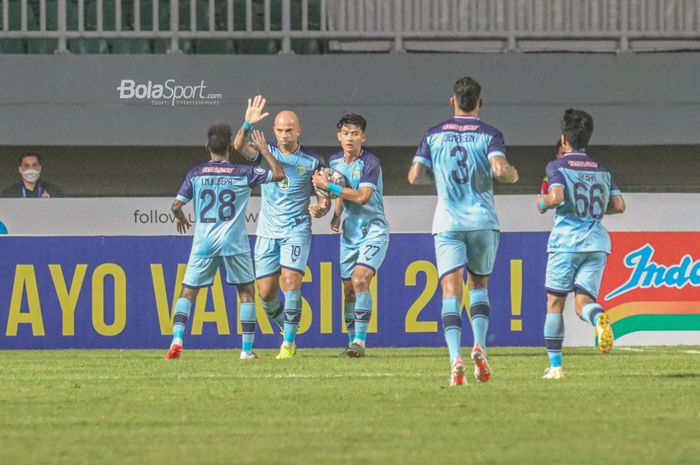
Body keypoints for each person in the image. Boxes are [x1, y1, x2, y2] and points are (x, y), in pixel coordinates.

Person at [407, 76, 519, 386]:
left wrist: (440, 177)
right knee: (479, 285)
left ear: (453, 101)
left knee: (450, 291)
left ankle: (455, 357)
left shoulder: (434, 134)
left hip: (448, 222)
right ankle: (480, 346)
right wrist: (511, 174)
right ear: (480, 103)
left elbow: (414, 176)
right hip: (482, 221)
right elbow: (499, 169)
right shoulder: (489, 135)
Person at [165, 122, 284, 360]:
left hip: (204, 242)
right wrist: (264, 151)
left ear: (206, 146)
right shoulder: (243, 173)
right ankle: (246, 351)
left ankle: (177, 338)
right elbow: (279, 175)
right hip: (233, 242)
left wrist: (180, 218)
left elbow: (176, 205)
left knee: (188, 291)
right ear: (230, 147)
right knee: (246, 293)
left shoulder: (196, 173)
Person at [233, 95, 330, 359]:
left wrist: (322, 207)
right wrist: (247, 124)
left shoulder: (313, 160)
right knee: (265, 293)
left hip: (296, 229)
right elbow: (240, 145)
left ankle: (287, 343)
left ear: (298, 131)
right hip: (267, 230)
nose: (285, 134)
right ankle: (287, 330)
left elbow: (324, 194)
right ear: (274, 131)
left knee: (291, 281)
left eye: (290, 130)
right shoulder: (267, 153)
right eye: (280, 130)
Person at [536, 109, 625, 380]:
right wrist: (593, 212)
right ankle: (598, 318)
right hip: (597, 244)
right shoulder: (603, 169)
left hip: (566, 243)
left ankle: (556, 368)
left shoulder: (557, 166)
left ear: (564, 139)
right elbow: (619, 206)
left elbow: (556, 196)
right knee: (584, 303)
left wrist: (543, 204)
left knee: (555, 304)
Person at [312, 114, 389, 358]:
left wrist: (329, 188)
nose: (350, 138)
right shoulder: (334, 162)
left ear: (363, 137)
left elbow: (362, 196)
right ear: (339, 136)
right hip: (350, 231)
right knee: (348, 290)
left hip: (374, 229)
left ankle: (360, 342)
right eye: (346, 133)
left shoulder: (370, 163)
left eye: (355, 133)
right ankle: (350, 343)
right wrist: (330, 212)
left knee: (360, 279)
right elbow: (336, 197)